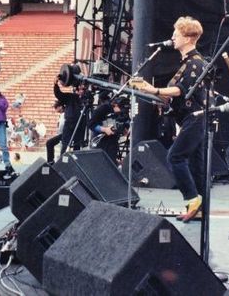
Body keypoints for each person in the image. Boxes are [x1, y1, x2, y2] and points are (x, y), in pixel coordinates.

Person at [136, 16, 207, 222]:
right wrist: (148, 91)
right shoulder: (188, 63)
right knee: (195, 165)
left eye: (176, 34)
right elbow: (171, 95)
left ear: (188, 38)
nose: (173, 38)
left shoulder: (195, 63)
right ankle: (198, 209)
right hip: (189, 118)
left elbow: (180, 90)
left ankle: (192, 200)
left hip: (194, 118)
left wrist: (153, 89)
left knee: (175, 157)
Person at [88, 94, 129, 165]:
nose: (121, 112)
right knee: (99, 163)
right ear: (115, 105)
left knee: (111, 162)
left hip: (113, 141)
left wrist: (125, 129)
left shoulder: (123, 112)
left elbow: (125, 121)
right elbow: (91, 124)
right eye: (120, 110)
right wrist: (104, 129)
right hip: (100, 140)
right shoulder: (103, 108)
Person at [53, 78, 88, 155]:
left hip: (80, 125)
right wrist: (56, 84)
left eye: (83, 89)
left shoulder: (87, 99)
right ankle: (62, 162)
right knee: (65, 144)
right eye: (79, 89)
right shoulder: (71, 97)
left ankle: (75, 162)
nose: (81, 91)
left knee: (77, 146)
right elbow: (59, 94)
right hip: (69, 123)